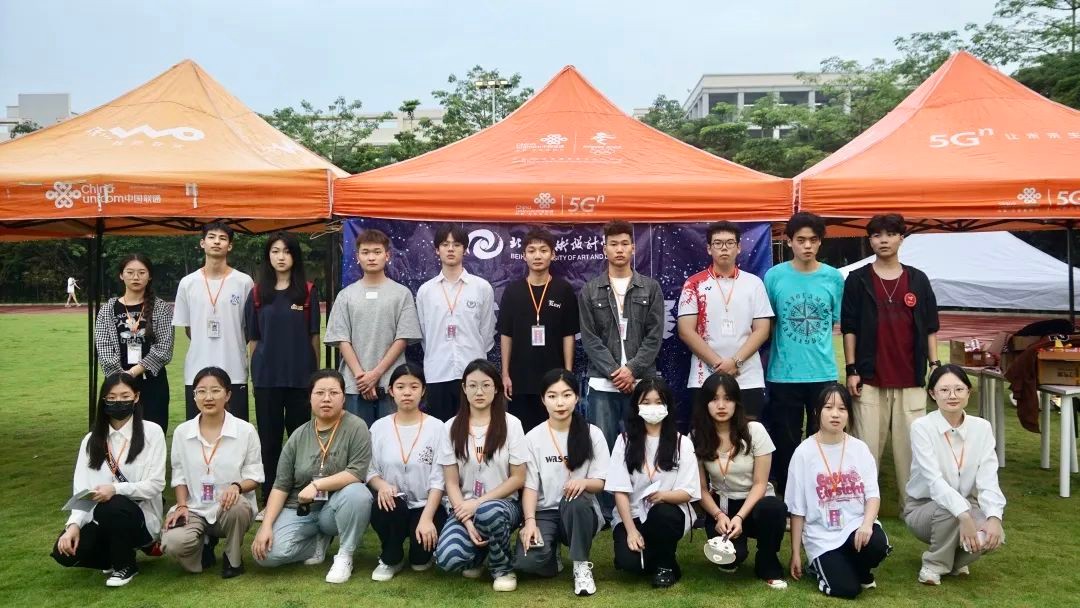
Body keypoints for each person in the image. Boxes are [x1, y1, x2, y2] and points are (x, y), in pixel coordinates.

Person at [842, 213, 940, 507]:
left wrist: (935, 366)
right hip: (870, 378)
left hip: (911, 377)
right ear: (870, 240)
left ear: (901, 238)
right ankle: (861, 507)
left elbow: (930, 327)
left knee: (912, 450)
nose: (883, 240)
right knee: (865, 449)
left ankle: (913, 507)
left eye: (890, 234)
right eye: (876, 235)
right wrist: (851, 369)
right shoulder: (858, 279)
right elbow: (849, 328)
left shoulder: (918, 279)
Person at [251, 369, 374, 584]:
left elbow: (357, 472)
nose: (326, 399)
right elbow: (281, 485)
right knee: (266, 555)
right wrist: (266, 525)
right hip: (300, 509)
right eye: (320, 393)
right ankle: (316, 544)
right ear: (310, 397)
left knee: (359, 494)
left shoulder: (356, 427)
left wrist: (318, 485)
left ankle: (345, 555)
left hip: (335, 508)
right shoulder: (299, 435)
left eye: (333, 393)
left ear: (343, 398)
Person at [52, 373, 166, 587]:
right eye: (111, 398)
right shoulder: (91, 440)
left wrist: (116, 489)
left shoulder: (152, 433)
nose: (118, 402)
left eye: (125, 396)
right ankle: (114, 556)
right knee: (64, 553)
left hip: (140, 516)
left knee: (112, 506)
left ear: (136, 397)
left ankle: (125, 566)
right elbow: (82, 490)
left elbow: (156, 484)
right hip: (100, 518)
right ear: (103, 400)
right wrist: (73, 525)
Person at [763, 212, 845, 496]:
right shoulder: (774, 276)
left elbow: (837, 322)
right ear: (789, 242)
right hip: (784, 374)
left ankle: (819, 493)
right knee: (785, 440)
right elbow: (767, 323)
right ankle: (789, 496)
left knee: (823, 438)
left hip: (823, 372)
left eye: (813, 240)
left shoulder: (834, 278)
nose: (807, 246)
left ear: (820, 242)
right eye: (800, 240)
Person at [904, 364, 1005, 586]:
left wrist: (994, 518)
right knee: (951, 510)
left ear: (969, 392)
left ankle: (955, 561)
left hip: (967, 503)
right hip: (924, 507)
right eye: (944, 390)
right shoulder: (922, 427)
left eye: (959, 389)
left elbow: (989, 479)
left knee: (992, 532)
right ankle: (933, 565)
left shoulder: (982, 428)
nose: (952, 396)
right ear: (933, 394)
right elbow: (934, 482)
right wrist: (965, 516)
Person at [786, 384, 890, 599]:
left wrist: (867, 525)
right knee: (847, 590)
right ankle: (820, 567)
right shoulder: (803, 453)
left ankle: (859, 569)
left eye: (842, 409)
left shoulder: (859, 449)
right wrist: (795, 552)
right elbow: (797, 509)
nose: (835, 414)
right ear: (817, 412)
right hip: (822, 537)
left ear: (849, 414)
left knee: (877, 545)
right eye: (829, 407)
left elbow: (872, 495)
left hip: (854, 527)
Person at [513, 368, 610, 596]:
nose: (560, 403)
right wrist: (529, 522)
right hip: (545, 512)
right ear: (543, 400)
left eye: (567, 395)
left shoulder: (592, 433)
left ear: (577, 397)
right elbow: (530, 486)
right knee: (528, 563)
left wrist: (584, 483)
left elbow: (601, 482)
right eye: (552, 396)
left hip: (580, 510)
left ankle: (581, 565)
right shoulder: (532, 438)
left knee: (576, 502)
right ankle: (551, 552)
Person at [434, 359, 527, 592]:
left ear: (496, 389)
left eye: (486, 385)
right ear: (464, 389)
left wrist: (478, 504)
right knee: (448, 558)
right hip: (464, 506)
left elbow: (518, 478)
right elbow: (451, 482)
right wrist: (466, 520)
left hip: (504, 505)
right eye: (472, 385)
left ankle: (502, 568)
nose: (479, 392)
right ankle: (479, 555)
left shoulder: (512, 425)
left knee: (488, 512)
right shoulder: (450, 427)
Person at [161, 367, 263, 578]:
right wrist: (181, 505)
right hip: (195, 507)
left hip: (228, 507)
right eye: (201, 391)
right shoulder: (182, 432)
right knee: (173, 542)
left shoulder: (245, 430)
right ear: (194, 396)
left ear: (228, 395)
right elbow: (179, 475)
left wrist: (236, 487)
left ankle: (233, 559)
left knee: (237, 507)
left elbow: (255, 476)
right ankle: (203, 548)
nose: (208, 397)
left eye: (215, 390)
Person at [245, 232, 321, 515]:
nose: (280, 257)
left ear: (294, 256)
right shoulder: (257, 293)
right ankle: (269, 499)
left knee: (301, 440)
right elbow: (253, 339)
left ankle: (301, 496)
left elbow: (314, 337)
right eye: (275, 251)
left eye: (286, 251)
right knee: (270, 441)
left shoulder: (308, 292)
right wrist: (256, 374)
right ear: (268, 256)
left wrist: (313, 377)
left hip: (300, 379)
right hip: (267, 380)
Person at [692, 372, 787, 589]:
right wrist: (718, 515)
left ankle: (768, 562)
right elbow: (701, 489)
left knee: (773, 508)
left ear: (737, 402)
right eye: (714, 399)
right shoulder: (697, 436)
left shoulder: (755, 431)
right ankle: (735, 551)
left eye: (728, 399)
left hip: (756, 502)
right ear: (705, 403)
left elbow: (760, 483)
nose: (721, 405)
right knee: (731, 559)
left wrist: (740, 517)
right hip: (722, 506)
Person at [605, 376, 699, 588]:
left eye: (658, 402)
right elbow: (620, 490)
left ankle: (665, 566)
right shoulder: (624, 441)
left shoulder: (682, 443)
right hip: (633, 516)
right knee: (629, 564)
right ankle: (657, 557)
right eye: (646, 402)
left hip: (668, 513)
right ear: (636, 406)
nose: (652, 407)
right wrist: (631, 530)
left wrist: (664, 496)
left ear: (668, 406)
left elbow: (688, 491)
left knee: (662, 514)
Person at [579, 220, 664, 452]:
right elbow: (589, 338)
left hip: (642, 384)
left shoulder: (651, 288)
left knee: (642, 449)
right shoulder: (590, 290)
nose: (619, 249)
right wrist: (616, 373)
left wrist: (632, 370)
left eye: (625, 244)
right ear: (604, 249)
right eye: (613, 244)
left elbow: (654, 336)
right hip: (603, 384)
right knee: (603, 451)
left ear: (633, 248)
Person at [325, 228, 422, 427]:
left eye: (377, 252)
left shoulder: (401, 294)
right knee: (358, 439)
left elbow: (403, 338)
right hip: (355, 383)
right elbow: (342, 339)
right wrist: (362, 377)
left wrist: (376, 374)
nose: (371, 257)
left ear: (387, 255)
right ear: (357, 257)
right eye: (365, 252)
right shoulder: (346, 295)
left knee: (392, 437)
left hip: (391, 383)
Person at [678, 221, 773, 421]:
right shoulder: (693, 284)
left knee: (748, 433)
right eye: (718, 243)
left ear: (739, 247)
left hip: (747, 377)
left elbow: (762, 329)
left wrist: (735, 362)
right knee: (706, 434)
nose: (724, 248)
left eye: (730, 243)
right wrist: (718, 365)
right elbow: (686, 331)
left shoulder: (754, 283)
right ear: (709, 248)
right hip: (705, 377)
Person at [367, 363, 448, 581]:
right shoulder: (379, 428)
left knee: (420, 563)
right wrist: (382, 485)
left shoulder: (437, 428)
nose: (407, 393)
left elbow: (440, 478)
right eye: (401, 387)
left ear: (423, 390)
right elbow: (370, 470)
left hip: (426, 504)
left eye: (414, 387)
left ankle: (421, 552)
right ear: (391, 391)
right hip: (393, 502)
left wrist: (427, 518)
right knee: (384, 506)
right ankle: (390, 557)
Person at [498, 228, 579, 432]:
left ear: (553, 254)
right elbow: (506, 335)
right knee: (522, 435)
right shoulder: (513, 291)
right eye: (532, 250)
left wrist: (568, 373)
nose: (537, 255)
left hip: (554, 379)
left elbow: (568, 335)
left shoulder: (563, 290)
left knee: (555, 433)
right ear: (524, 255)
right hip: (520, 379)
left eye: (543, 250)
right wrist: (505, 374)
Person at [173, 222, 254, 421]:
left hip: (234, 370)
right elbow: (189, 329)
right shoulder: (187, 283)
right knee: (198, 430)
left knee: (235, 430)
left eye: (222, 238)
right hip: (197, 371)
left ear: (230, 246)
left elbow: (248, 328)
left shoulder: (244, 282)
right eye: (211, 237)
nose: (217, 242)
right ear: (202, 243)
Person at [415, 225, 496, 421]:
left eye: (456, 244)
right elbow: (424, 334)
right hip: (437, 372)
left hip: (474, 374)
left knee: (473, 429)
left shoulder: (481, 288)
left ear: (465, 250)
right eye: (445, 244)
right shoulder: (426, 291)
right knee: (441, 431)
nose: (450, 249)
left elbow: (486, 333)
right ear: (437, 250)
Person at [93, 254, 174, 432]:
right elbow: (104, 347)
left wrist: (133, 372)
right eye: (130, 272)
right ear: (121, 275)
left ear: (149, 276)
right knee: (118, 432)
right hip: (117, 384)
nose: (135, 277)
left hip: (152, 383)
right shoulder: (107, 310)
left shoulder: (161, 308)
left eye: (141, 272)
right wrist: (122, 377)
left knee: (153, 431)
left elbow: (164, 348)